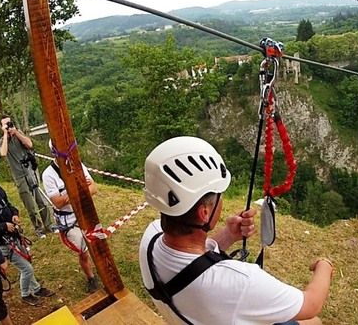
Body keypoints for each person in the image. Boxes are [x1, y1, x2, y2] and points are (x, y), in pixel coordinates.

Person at [139, 136, 333, 325]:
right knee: (313, 321)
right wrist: (324, 266)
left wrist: (228, 236)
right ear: (204, 212)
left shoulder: (150, 237)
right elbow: (311, 304)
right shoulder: (241, 282)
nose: (221, 201)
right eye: (219, 196)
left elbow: (191, 265)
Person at [0, 158, 54, 307]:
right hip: (2, 243)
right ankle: (25, 294)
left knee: (27, 263)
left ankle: (36, 288)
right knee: (27, 268)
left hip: (13, 236)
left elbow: (8, 205)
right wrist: (3, 226)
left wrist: (14, 214)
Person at [41, 139, 99, 293]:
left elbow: (93, 188)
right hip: (69, 220)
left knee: (96, 242)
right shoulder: (48, 175)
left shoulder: (77, 165)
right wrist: (78, 188)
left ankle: (101, 267)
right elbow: (58, 202)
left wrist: (70, 194)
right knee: (83, 250)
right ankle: (91, 277)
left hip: (84, 213)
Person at [0, 115, 54, 238]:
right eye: (5, 125)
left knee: (41, 201)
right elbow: (3, 153)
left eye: (9, 123)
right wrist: (5, 134)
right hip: (19, 177)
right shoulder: (2, 141)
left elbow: (29, 144)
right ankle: (38, 228)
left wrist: (16, 132)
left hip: (30, 172)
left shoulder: (19, 134)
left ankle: (49, 225)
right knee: (30, 206)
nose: (8, 126)